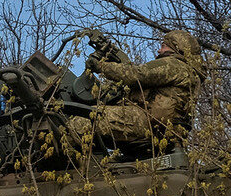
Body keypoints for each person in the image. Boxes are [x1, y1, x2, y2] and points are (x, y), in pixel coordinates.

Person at [67, 29, 204, 150]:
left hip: (147, 124)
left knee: (82, 121)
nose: (159, 50)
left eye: (163, 46)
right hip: (161, 129)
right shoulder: (188, 74)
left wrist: (100, 66)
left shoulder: (175, 65)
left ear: (176, 48)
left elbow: (135, 75)